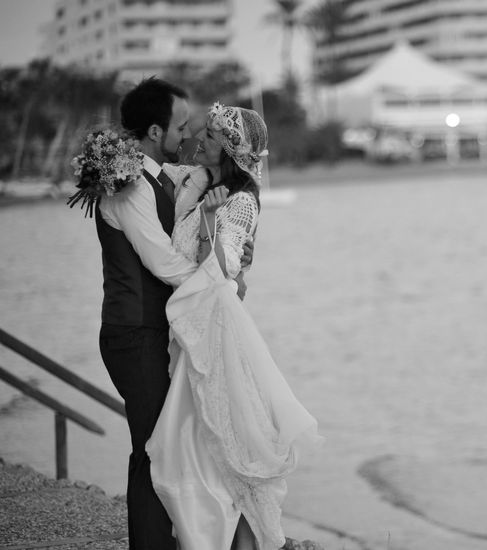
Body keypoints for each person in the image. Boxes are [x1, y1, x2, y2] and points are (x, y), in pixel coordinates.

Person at [146, 103, 320, 550]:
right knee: (197, 447)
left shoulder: (239, 202)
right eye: (200, 132)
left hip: (212, 331)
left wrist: (208, 224)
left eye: (209, 136)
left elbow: (220, 272)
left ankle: (247, 541)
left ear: (227, 148)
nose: (198, 139)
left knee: (215, 444)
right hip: (191, 328)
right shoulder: (199, 185)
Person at [96, 77, 253, 549]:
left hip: (155, 332)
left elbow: (196, 193)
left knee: (169, 444)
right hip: (134, 333)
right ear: (152, 130)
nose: (187, 136)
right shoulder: (126, 187)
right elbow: (164, 262)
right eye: (181, 126)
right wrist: (220, 285)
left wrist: (230, 239)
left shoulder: (158, 176)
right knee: (153, 450)